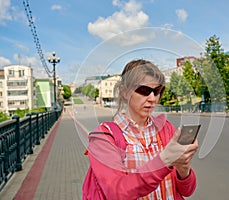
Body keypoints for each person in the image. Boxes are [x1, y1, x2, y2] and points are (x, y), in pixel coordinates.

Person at [82, 59, 198, 200]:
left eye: (157, 91)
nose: (152, 98)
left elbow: (187, 191)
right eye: (144, 90)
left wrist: (183, 170)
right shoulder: (104, 137)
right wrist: (164, 160)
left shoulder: (166, 128)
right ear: (124, 92)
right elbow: (116, 193)